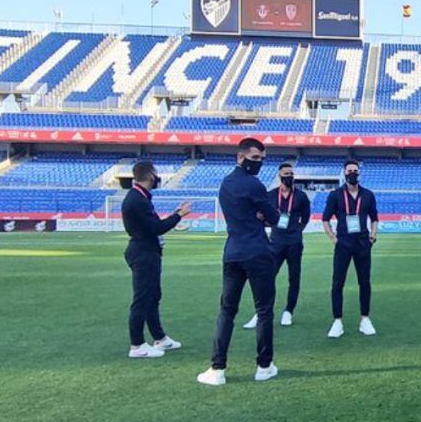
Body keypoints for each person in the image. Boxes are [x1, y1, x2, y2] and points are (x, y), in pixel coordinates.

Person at [197, 138, 281, 387]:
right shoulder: (254, 185)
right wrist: (261, 216)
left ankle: (217, 368)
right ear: (241, 156)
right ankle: (264, 366)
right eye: (255, 158)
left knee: (227, 311)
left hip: (232, 252)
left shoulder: (226, 184)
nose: (258, 163)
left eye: (262, 160)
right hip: (257, 252)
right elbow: (274, 217)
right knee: (264, 311)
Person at [121, 160, 191, 358]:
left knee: (152, 297)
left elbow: (153, 225)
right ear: (150, 175)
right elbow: (157, 228)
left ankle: (160, 338)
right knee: (142, 298)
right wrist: (179, 215)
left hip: (147, 251)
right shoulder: (137, 199)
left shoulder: (140, 197)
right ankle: (137, 345)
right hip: (143, 253)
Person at [244, 163, 311, 329]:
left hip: (295, 242)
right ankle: (260, 313)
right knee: (268, 277)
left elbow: (306, 217)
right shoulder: (271, 195)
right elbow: (261, 214)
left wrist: (296, 230)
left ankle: (289, 311)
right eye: (286, 173)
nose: (289, 176)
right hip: (276, 242)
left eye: (291, 173)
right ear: (280, 175)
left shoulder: (301, 196)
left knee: (294, 277)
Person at [322, 159, 378, 338]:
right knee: (338, 282)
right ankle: (337, 321)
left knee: (365, 282)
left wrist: (373, 236)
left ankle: (365, 319)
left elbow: (375, 218)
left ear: (359, 173)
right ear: (344, 173)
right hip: (343, 243)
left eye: (355, 170)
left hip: (363, 243)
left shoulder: (368, 195)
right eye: (349, 171)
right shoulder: (335, 195)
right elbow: (325, 219)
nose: (352, 173)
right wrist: (333, 238)